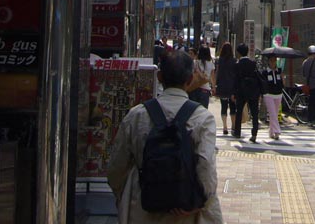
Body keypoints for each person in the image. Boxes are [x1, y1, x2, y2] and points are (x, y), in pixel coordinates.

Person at [106, 49, 224, 224]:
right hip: (186, 214)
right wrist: (199, 202)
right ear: (190, 79)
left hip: (142, 208)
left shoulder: (137, 115)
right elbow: (205, 167)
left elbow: (116, 168)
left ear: (159, 77)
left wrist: (127, 195)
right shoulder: (202, 118)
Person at [232, 43, 263, 142]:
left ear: (239, 53)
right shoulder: (253, 63)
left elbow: (235, 80)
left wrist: (234, 93)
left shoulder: (237, 65)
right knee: (254, 112)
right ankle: (254, 133)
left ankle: (237, 132)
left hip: (241, 91)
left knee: (239, 111)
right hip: (253, 90)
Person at [211, 42, 237, 136]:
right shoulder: (234, 61)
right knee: (233, 107)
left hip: (222, 86)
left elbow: (217, 73)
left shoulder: (220, 61)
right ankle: (233, 126)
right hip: (232, 86)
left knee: (224, 106)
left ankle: (225, 126)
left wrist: (215, 85)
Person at [261, 54, 284, 140]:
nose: (273, 62)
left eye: (275, 60)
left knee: (274, 113)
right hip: (268, 94)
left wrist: (282, 78)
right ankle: (277, 131)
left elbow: (282, 84)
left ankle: (271, 132)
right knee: (272, 113)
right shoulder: (265, 72)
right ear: (268, 62)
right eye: (271, 61)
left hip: (278, 94)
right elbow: (263, 84)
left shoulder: (279, 71)